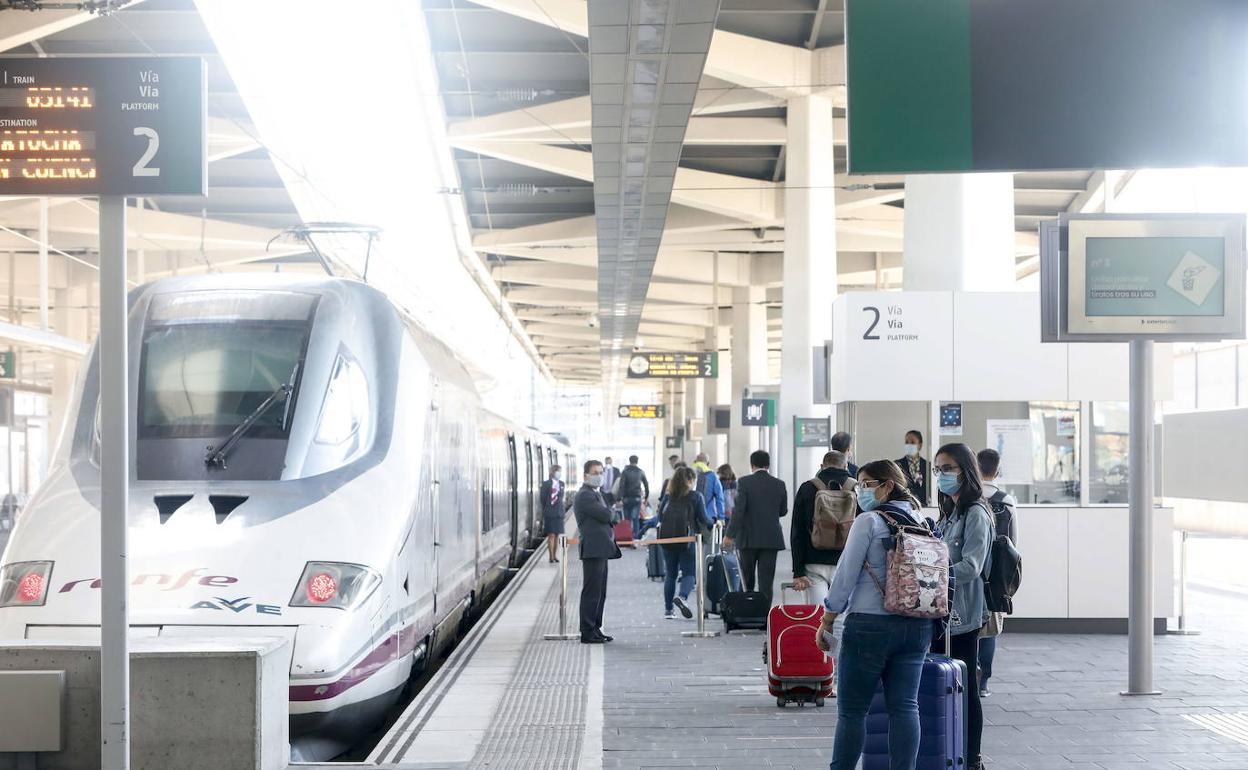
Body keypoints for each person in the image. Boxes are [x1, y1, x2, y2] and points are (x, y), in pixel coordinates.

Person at [816, 459, 930, 770]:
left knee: (852, 711)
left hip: (869, 626)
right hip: (916, 626)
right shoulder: (922, 521)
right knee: (906, 707)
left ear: (887, 485)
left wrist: (827, 618)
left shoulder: (869, 521)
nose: (861, 490)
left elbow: (845, 575)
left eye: (866, 484)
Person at [931, 442, 994, 770]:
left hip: (964, 614)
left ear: (966, 471)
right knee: (948, 685)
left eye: (948, 468)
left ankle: (972, 759)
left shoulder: (976, 513)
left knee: (966, 689)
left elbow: (971, 566)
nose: (942, 475)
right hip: (943, 613)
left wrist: (933, 576)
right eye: (938, 469)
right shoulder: (949, 513)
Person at [976, 447, 1018, 698]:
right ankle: (984, 683)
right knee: (990, 627)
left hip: (972, 571)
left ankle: (970, 674)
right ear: (997, 470)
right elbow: (1013, 543)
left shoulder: (967, 495)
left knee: (968, 625)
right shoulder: (1006, 500)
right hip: (996, 574)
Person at [723, 450, 787, 607]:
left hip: (748, 538)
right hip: (771, 539)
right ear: (768, 465)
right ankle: (764, 616)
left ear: (752, 465)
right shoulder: (779, 484)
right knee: (766, 581)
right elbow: (783, 511)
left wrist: (729, 535)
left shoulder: (744, 482)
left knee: (746, 579)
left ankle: (746, 613)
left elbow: (738, 512)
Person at [791, 450, 854, 606]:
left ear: (821, 466)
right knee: (841, 617)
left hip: (813, 562)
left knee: (819, 615)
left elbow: (797, 532)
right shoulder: (856, 488)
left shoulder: (807, 488)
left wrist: (798, 571)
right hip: (845, 562)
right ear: (845, 465)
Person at [574, 460, 621, 644]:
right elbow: (607, 515)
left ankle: (595, 628)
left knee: (600, 591)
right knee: (592, 592)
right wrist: (611, 514)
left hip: (601, 549)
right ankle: (587, 631)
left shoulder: (596, 493)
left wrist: (609, 512)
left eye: (601, 472)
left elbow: (607, 512)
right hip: (593, 549)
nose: (599, 475)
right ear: (586, 475)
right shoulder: (585, 495)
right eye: (595, 472)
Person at [657, 466, 713, 619]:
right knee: (689, 573)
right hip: (688, 541)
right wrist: (714, 523)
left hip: (667, 540)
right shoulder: (696, 496)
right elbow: (704, 519)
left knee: (671, 574)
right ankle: (682, 597)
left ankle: (668, 610)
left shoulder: (668, 497)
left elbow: (660, 517)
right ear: (691, 480)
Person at [614, 455, 651, 539]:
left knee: (627, 519)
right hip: (637, 498)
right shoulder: (641, 472)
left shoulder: (625, 471)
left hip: (626, 498)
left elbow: (622, 486)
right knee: (636, 518)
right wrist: (646, 497)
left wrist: (619, 498)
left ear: (629, 461)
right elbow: (646, 485)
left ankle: (628, 537)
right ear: (637, 461)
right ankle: (636, 538)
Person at [896, 429, 930, 507]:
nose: (909, 445)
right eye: (906, 442)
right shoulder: (897, 465)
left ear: (920, 445)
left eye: (912, 442)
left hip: (926, 507)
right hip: (904, 506)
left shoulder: (928, 465)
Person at [539, 464, 566, 563]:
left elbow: (561, 497)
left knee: (557, 535)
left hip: (559, 513)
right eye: (558, 471)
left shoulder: (562, 484)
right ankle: (551, 557)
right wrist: (547, 508)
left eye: (560, 471)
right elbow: (543, 499)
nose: (559, 473)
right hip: (550, 513)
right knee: (551, 535)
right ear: (553, 472)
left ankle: (555, 556)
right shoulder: (546, 484)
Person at [692, 452, 726, 523]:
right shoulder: (713, 477)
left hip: (693, 516)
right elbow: (719, 497)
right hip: (708, 515)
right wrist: (721, 517)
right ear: (708, 463)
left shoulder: (690, 475)